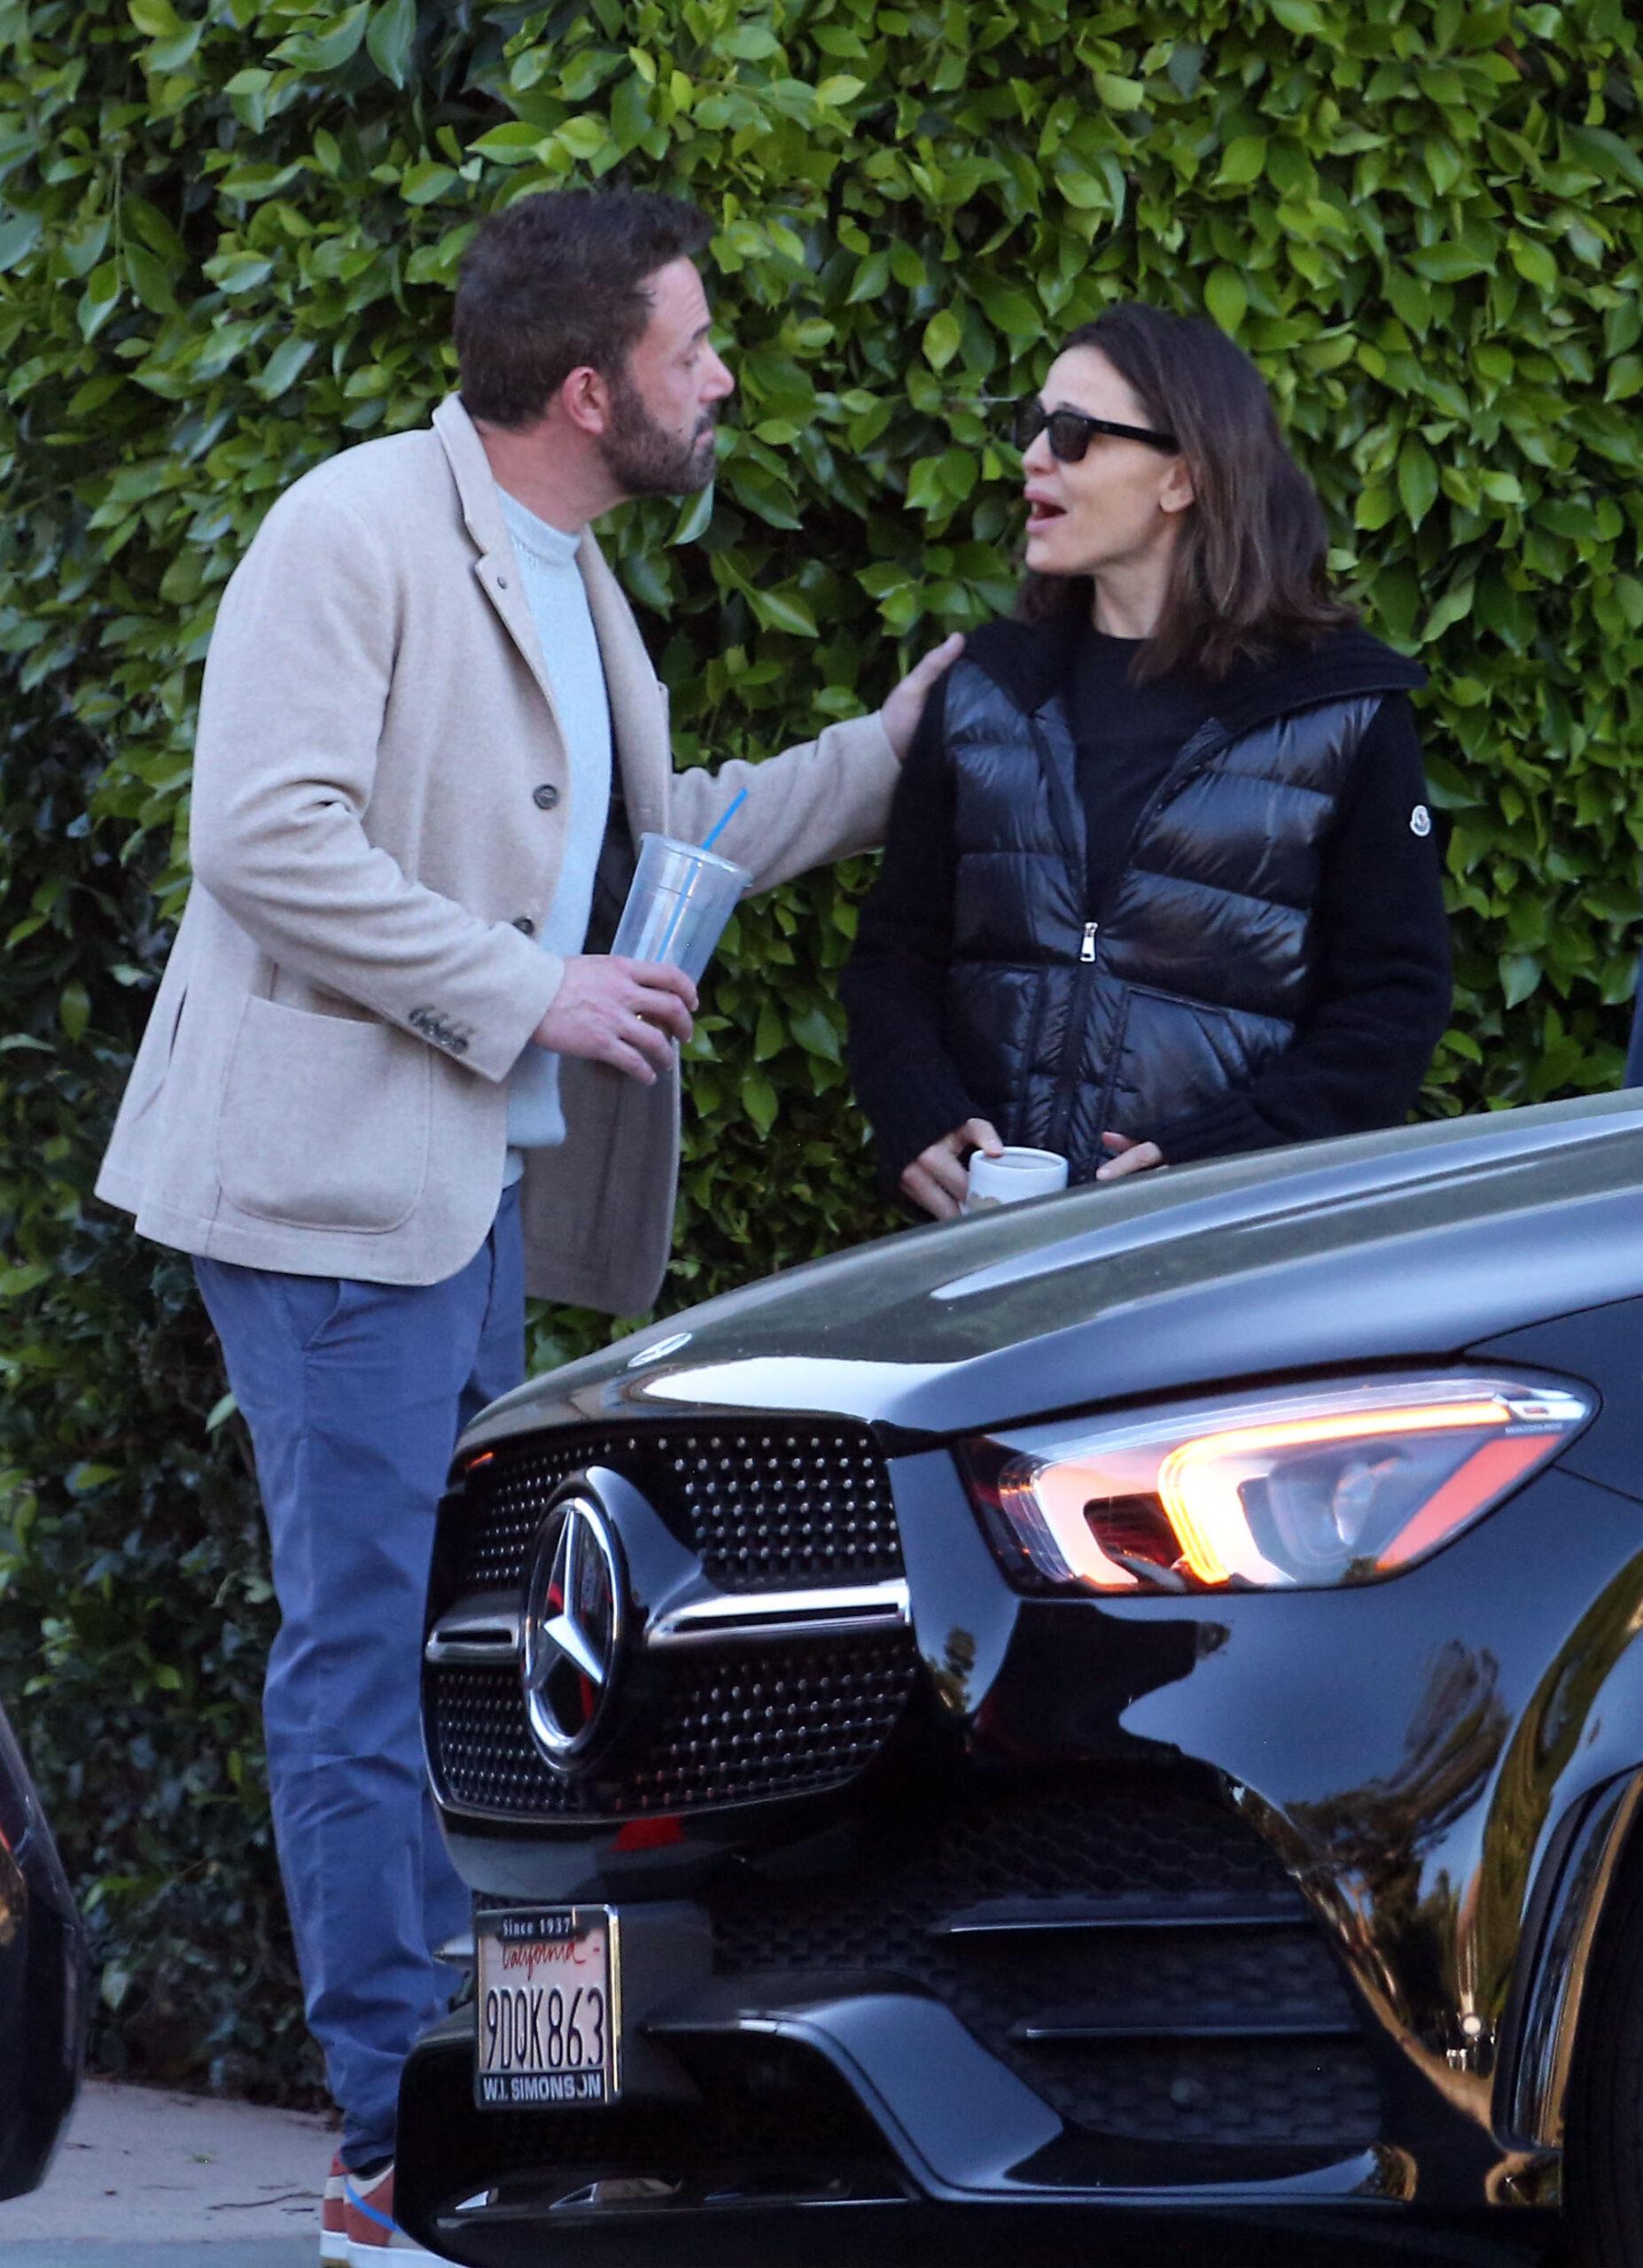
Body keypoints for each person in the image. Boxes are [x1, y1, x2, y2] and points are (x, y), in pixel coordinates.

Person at [94, 188, 958, 2263]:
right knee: (370, 1649)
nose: (719, 375)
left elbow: (673, 848)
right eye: (692, 347)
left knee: (468, 1657)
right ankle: (390, 2137)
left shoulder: (564, 568)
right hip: (326, 1200)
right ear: (590, 390)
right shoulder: (353, 528)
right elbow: (260, 830)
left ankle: (470, 2094)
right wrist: (521, 986)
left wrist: (900, 746)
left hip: (457, 1192)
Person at [840, 301, 1451, 1220]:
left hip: (1221, 1257)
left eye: (1076, 433)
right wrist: (917, 1111)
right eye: (1034, 426)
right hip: (978, 1246)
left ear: (1183, 479)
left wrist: (1229, 1157)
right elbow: (894, 950)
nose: (1034, 457)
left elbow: (1393, 1001)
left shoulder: (1342, 710)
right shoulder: (985, 690)